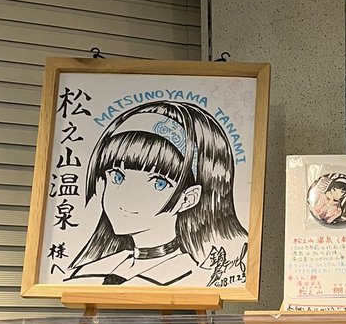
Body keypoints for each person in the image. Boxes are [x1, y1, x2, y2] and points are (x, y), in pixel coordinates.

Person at [67, 101, 247, 287]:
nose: (126, 197)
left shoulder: (192, 278)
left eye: (158, 183)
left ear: (188, 199)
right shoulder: (90, 272)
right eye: (117, 177)